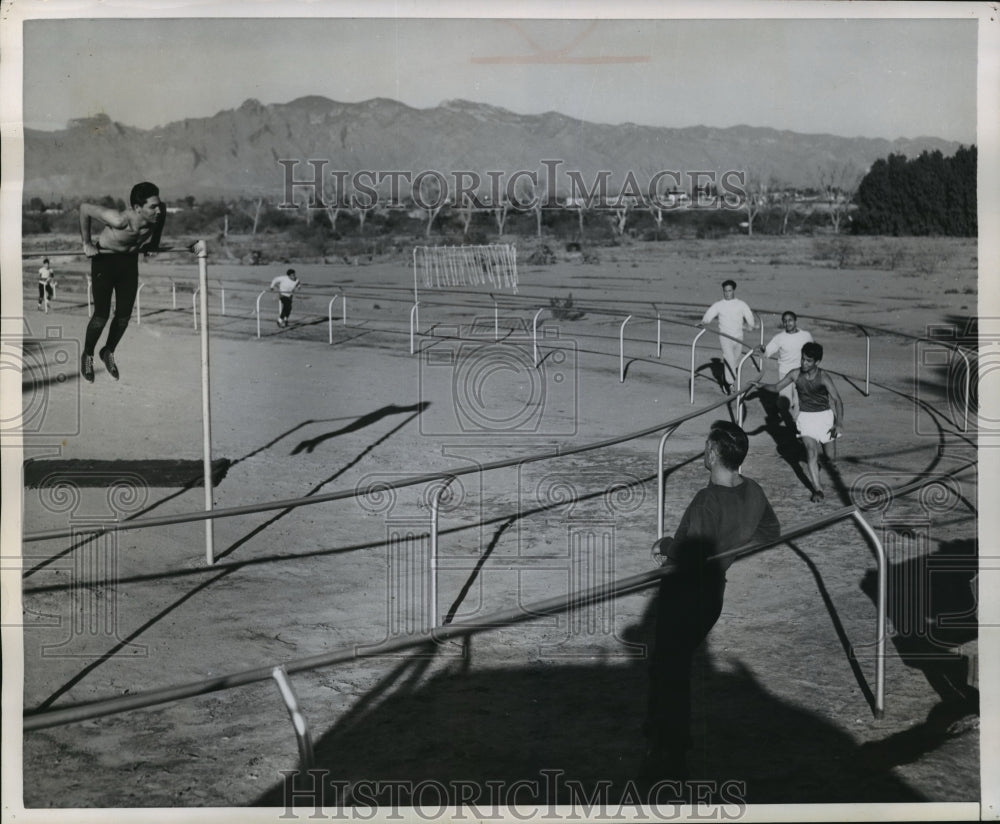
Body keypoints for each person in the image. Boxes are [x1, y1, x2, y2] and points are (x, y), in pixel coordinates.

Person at [645, 420, 780, 781]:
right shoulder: (753, 490)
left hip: (688, 596)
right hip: (712, 597)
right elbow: (770, 531)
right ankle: (666, 739)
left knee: (671, 671)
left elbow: (693, 559)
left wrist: (665, 547)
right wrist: (730, 552)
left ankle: (673, 756)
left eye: (707, 447)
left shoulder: (707, 501)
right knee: (674, 666)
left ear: (714, 454)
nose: (703, 451)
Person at [78, 182, 165, 382]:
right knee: (101, 316)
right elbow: (84, 209)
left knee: (124, 317)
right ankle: (88, 354)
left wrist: (154, 242)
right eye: (153, 207)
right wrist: (86, 242)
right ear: (137, 208)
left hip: (128, 263)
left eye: (158, 205)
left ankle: (108, 351)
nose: (158, 210)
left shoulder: (159, 213)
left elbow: (162, 215)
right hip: (105, 261)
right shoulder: (119, 220)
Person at [754, 342, 844, 502]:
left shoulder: (823, 377)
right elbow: (776, 388)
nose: (804, 363)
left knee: (830, 459)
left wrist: (839, 423)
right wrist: (759, 386)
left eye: (808, 360)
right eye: (803, 359)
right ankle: (817, 489)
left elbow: (837, 400)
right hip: (806, 418)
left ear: (817, 362)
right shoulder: (795, 374)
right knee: (811, 451)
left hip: (825, 418)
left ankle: (820, 466)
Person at [699, 280, 756, 392]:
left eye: (729, 291)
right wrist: (703, 322)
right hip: (725, 337)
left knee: (735, 361)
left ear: (733, 291)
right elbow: (709, 314)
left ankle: (725, 378)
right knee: (729, 358)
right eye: (725, 291)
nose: (727, 293)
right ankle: (729, 384)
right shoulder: (719, 305)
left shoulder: (741, 304)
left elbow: (749, 315)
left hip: (738, 337)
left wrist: (751, 325)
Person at [758, 311, 813, 418]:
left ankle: (796, 426)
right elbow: (767, 352)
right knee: (785, 402)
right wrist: (763, 350)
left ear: (795, 321)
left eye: (790, 320)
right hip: (785, 373)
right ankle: (780, 407)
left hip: (801, 372)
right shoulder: (779, 337)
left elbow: (812, 352)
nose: (788, 323)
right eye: (785, 321)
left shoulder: (806, 335)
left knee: (799, 401)